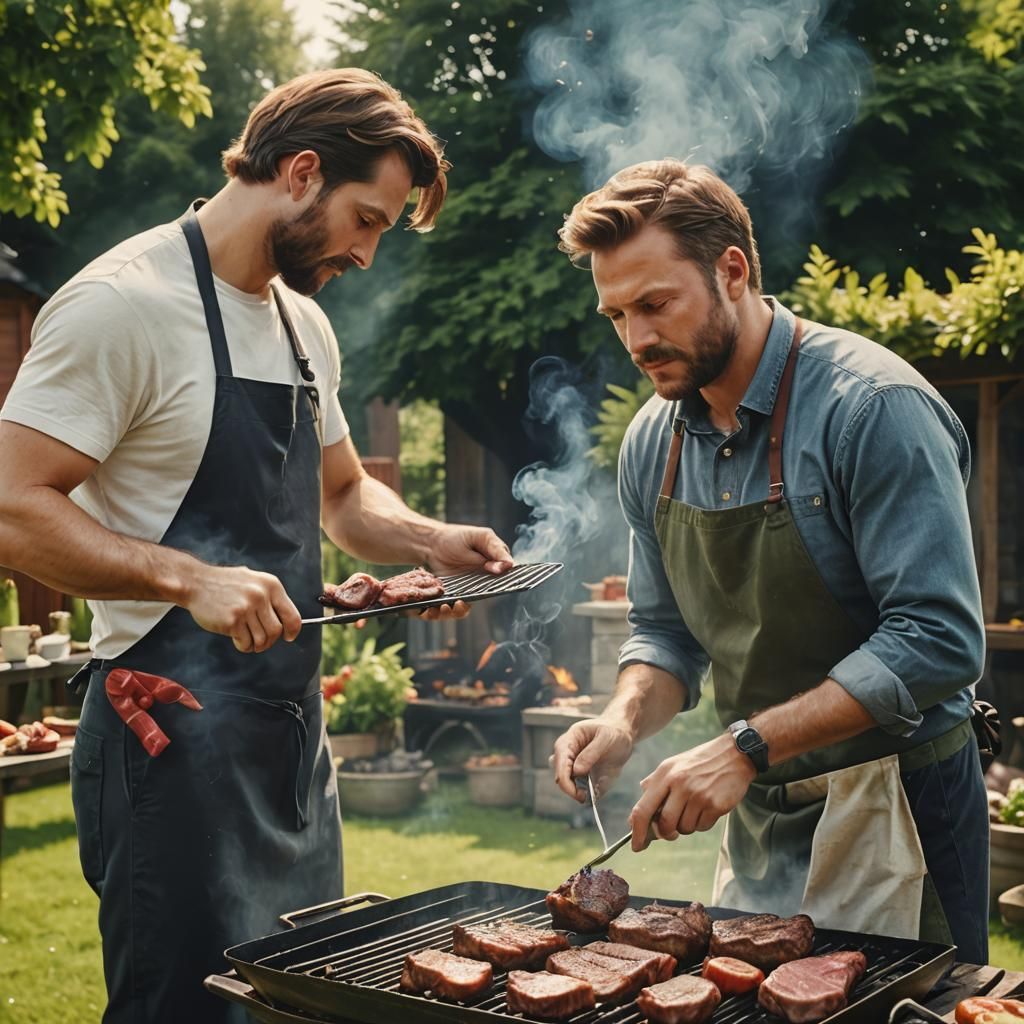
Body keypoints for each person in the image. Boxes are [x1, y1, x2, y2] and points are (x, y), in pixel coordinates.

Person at [0, 69, 512, 1023]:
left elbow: (346, 495)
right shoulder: (123, 303)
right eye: (366, 219)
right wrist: (184, 577)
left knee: (306, 1007)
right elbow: (11, 504)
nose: (366, 252)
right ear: (303, 171)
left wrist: (432, 540)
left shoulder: (303, 324)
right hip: (166, 743)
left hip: (289, 747)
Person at [550, 159, 989, 962]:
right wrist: (623, 720)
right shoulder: (655, 440)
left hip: (896, 801)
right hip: (758, 805)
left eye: (655, 304)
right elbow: (663, 632)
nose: (638, 340)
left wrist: (743, 746)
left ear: (733, 271)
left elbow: (938, 639)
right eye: (616, 315)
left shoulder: (873, 410)